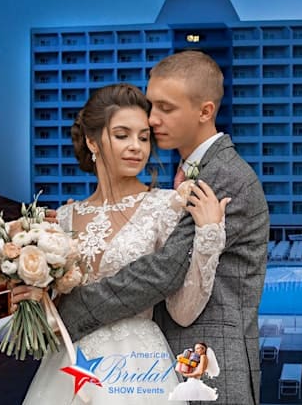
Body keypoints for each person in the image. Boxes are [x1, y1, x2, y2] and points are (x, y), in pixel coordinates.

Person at [52, 51, 269, 404]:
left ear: (204, 111)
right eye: (152, 107)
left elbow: (163, 270)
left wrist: (67, 313)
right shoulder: (189, 174)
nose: (153, 121)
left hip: (207, 362)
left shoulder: (223, 177)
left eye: (164, 109)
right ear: (93, 142)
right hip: (122, 361)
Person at [16, 83, 231, 404]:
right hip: (68, 365)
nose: (136, 147)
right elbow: (55, 316)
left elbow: (183, 312)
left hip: (140, 368)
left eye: (144, 137)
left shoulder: (167, 206)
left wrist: (209, 238)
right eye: (122, 135)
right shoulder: (61, 219)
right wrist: (32, 295)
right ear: (92, 141)